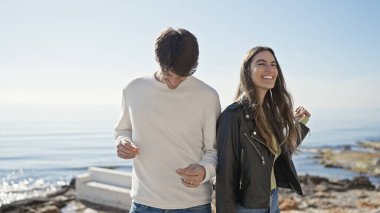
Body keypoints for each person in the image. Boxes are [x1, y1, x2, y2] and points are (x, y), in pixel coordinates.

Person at [114, 27, 221, 213]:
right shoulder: (132, 89)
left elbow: (215, 150)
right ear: (157, 60)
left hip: (193, 205)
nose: (174, 83)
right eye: (169, 75)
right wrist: (122, 141)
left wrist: (205, 171)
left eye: (182, 77)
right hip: (143, 203)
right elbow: (123, 130)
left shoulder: (208, 96)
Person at [215, 46, 311, 213]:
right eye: (261, 63)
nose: (269, 69)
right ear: (247, 71)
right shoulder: (233, 116)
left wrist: (298, 126)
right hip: (247, 207)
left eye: (273, 64)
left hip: (271, 201)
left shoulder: (269, 112)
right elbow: (225, 176)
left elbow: (278, 155)